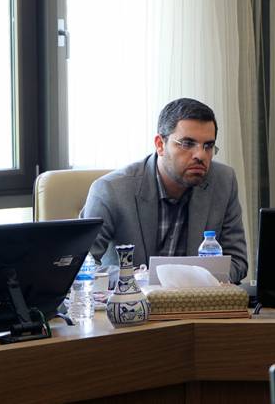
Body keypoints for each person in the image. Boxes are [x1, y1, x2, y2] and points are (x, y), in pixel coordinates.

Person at [81, 98, 248, 283]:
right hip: (134, 298)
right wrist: (143, 279)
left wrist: (187, 284)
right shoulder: (111, 190)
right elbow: (81, 267)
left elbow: (237, 261)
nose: (201, 155)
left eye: (208, 146)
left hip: (196, 299)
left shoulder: (223, 182)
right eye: (187, 143)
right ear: (160, 145)